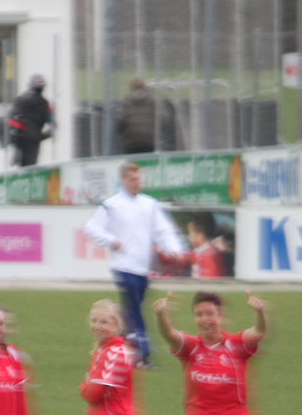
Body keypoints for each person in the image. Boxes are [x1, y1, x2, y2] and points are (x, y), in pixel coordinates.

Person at [84, 162, 187, 368]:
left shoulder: (149, 204)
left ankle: (118, 348)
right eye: (132, 179)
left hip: (142, 269)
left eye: (138, 179)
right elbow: (91, 229)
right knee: (134, 311)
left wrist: (173, 249)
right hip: (123, 267)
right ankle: (141, 354)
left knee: (131, 310)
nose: (136, 183)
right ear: (122, 181)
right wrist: (111, 241)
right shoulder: (112, 205)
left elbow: (163, 231)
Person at [9, 73, 54, 167]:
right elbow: (51, 122)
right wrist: (43, 135)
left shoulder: (20, 100)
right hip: (31, 140)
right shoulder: (44, 103)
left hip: (20, 138)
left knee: (21, 166)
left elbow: (11, 118)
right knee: (30, 165)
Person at [116, 77, 158, 154]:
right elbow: (163, 118)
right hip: (149, 140)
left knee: (132, 161)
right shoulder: (153, 100)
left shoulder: (126, 101)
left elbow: (120, 121)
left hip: (130, 142)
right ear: (144, 86)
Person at [186, 213, 227, 280]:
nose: (189, 236)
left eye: (190, 233)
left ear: (200, 236)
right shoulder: (198, 252)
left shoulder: (211, 257)